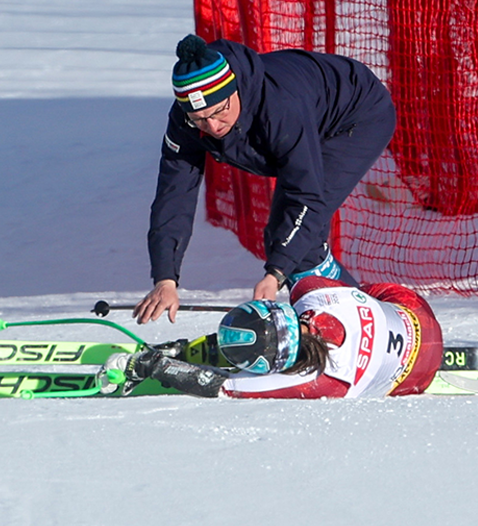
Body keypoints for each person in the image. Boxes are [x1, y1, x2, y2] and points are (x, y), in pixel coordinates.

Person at [135, 34, 396, 325]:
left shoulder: (279, 107)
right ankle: (347, 321)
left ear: (235, 91)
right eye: (199, 118)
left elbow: (306, 196)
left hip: (356, 116)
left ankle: (373, 328)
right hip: (307, 119)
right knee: (288, 241)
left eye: (219, 111)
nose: (212, 126)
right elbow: (174, 196)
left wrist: (276, 274)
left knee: (296, 243)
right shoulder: (186, 121)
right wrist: (165, 278)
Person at [102, 276, 443, 398]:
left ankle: (187, 351)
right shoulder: (313, 295)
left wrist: (151, 366)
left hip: (416, 378)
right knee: (362, 294)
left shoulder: (318, 381)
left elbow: (219, 386)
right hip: (418, 316)